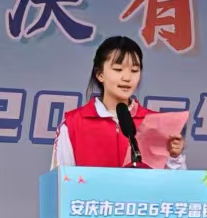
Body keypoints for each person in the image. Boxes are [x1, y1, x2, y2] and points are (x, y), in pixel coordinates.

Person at [52, 35, 188, 169]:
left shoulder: (155, 123)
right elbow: (61, 179)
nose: (127, 78)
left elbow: (174, 180)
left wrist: (175, 157)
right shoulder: (72, 124)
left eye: (134, 70)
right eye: (118, 69)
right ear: (100, 74)